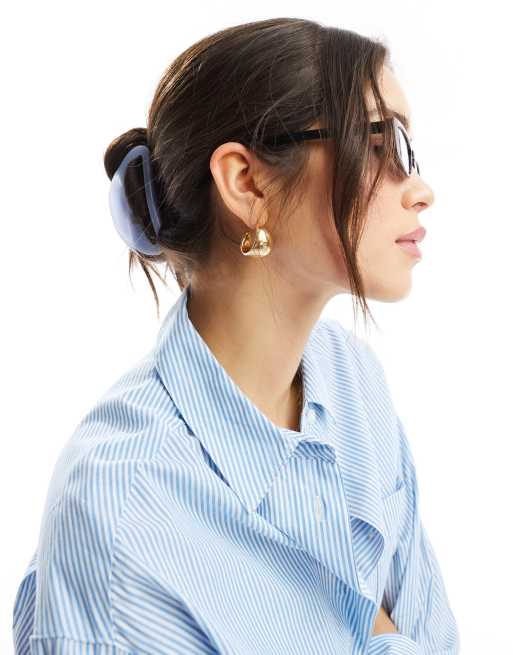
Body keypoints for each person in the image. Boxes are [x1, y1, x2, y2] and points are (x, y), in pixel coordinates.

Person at [12, 17, 460, 655]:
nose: (419, 189)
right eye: (376, 141)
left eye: (406, 147)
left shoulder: (350, 379)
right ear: (247, 183)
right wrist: (377, 630)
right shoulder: (122, 512)